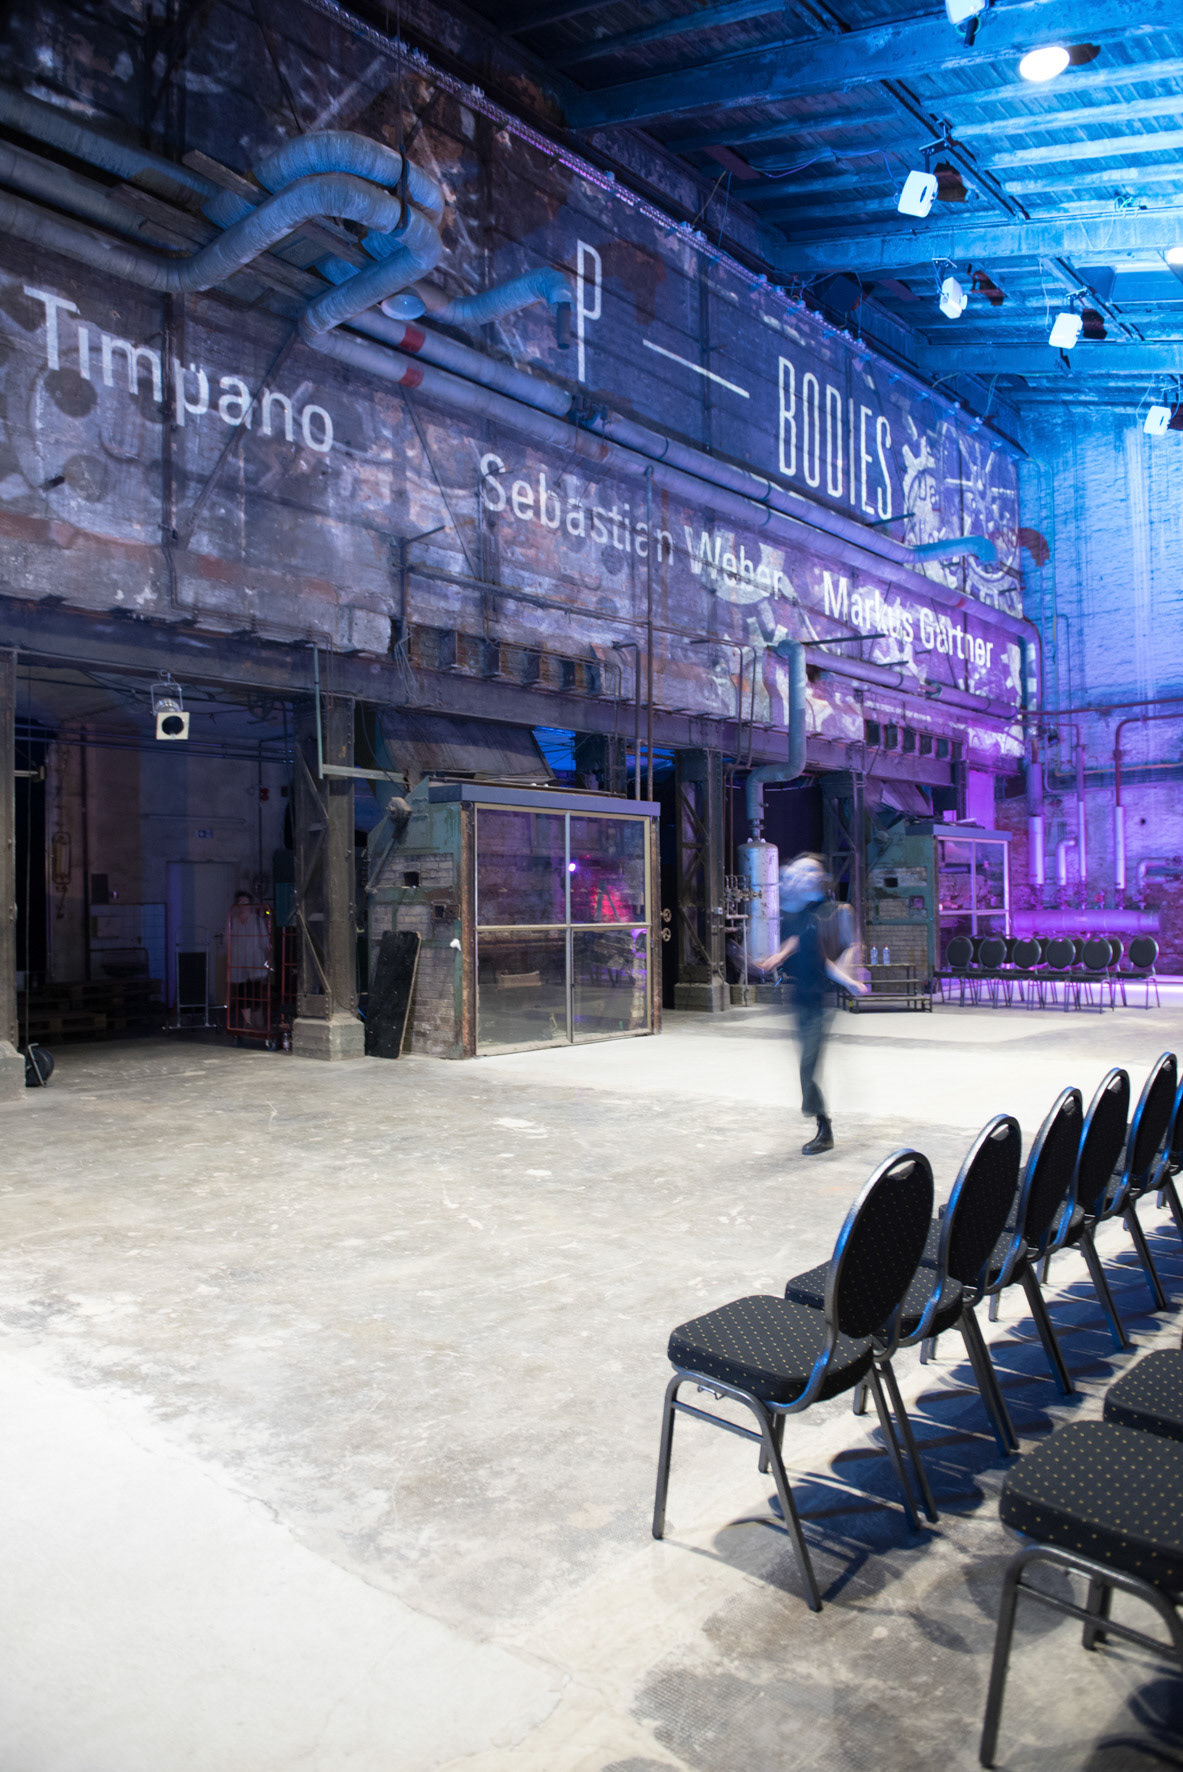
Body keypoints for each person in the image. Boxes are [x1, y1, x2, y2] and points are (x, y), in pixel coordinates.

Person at [756, 853, 866, 1155]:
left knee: (808, 1066)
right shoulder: (800, 914)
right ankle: (820, 1120)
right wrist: (779, 956)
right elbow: (797, 941)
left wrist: (849, 980)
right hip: (800, 998)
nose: (804, 875)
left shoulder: (829, 912)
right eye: (801, 871)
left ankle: (824, 1128)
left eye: (810, 871)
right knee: (805, 1065)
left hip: (819, 1000)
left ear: (820, 878)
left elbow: (828, 960)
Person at [227, 891, 272, 1032]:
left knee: (255, 992)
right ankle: (247, 1022)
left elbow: (265, 942)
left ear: (250, 905)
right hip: (239, 962)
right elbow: (227, 941)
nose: (243, 905)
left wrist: (268, 957)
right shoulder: (232, 921)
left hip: (255, 961)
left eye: (246, 902)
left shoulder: (257, 921)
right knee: (242, 992)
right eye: (240, 902)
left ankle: (258, 1023)